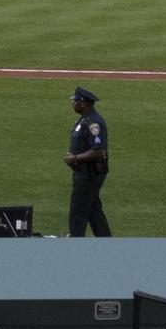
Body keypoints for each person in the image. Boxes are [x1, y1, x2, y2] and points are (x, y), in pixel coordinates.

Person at [63, 86, 112, 237]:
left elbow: (99, 151)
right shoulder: (84, 120)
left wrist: (75, 158)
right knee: (94, 212)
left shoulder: (94, 123)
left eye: (75, 101)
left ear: (83, 103)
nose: (73, 103)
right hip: (83, 173)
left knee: (77, 213)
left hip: (89, 175)